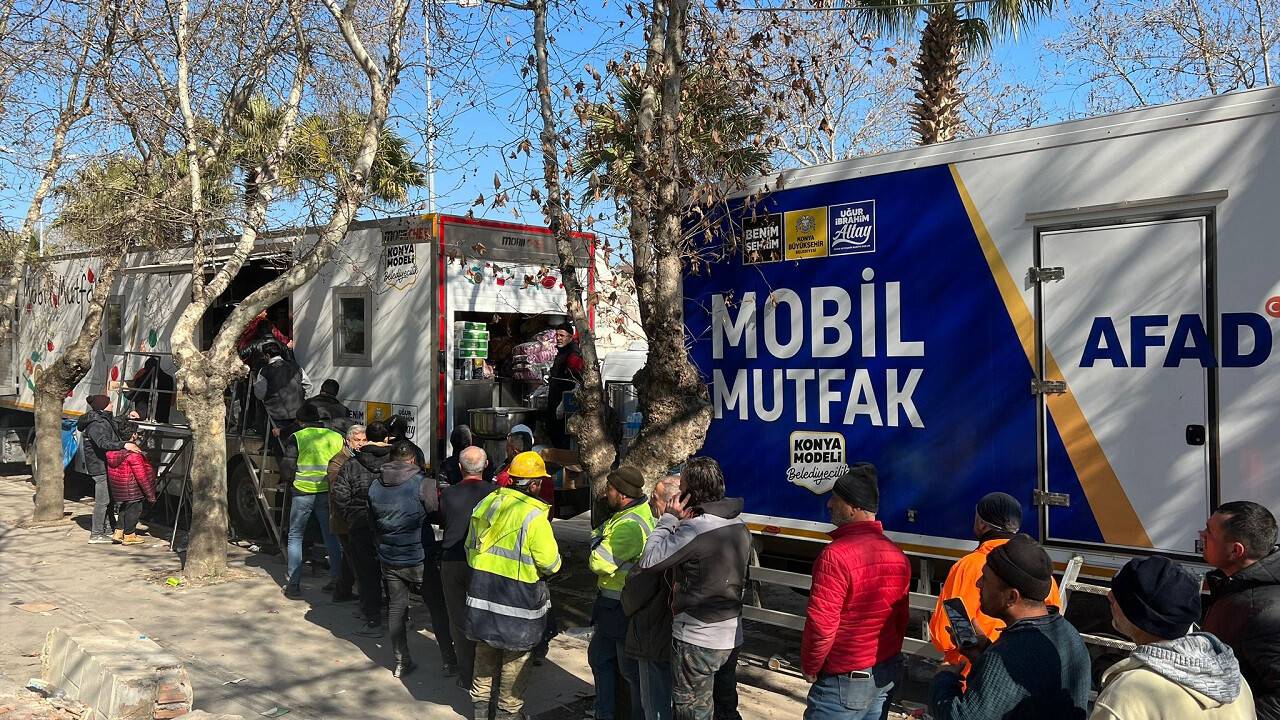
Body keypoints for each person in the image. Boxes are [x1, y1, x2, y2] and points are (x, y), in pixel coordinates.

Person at [930, 534, 1090, 720]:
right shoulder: (1067, 632)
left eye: (986, 579)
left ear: (1011, 597)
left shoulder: (1012, 653)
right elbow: (1024, 686)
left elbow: (960, 717)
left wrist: (944, 679)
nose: (978, 583)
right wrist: (982, 653)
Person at [639, 457, 751, 720]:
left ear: (690, 492)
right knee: (726, 707)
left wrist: (667, 519)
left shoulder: (695, 530)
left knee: (692, 711)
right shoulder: (739, 524)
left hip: (697, 639)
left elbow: (649, 561)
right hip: (732, 635)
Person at [801, 464, 910, 720]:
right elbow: (900, 620)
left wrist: (810, 665)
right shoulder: (897, 555)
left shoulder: (835, 556)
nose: (829, 505)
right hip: (883, 674)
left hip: (843, 683)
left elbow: (821, 624)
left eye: (835, 499)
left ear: (852, 508)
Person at [1092, 555, 1256, 719]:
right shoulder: (1236, 682)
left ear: (1140, 617)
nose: (1109, 596)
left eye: (1119, 595)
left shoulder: (1127, 695)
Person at [465, 451, 561, 720]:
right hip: (518, 600)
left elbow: (470, 548)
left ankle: (480, 713)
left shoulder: (488, 503)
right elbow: (552, 564)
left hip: (482, 593)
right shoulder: (534, 516)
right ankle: (508, 713)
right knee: (514, 660)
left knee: (484, 654)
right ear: (533, 484)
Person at [929, 492, 1063, 674]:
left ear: (981, 524)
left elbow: (945, 634)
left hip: (972, 678)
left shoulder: (968, 566)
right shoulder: (1037, 568)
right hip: (1027, 679)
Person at [1201, 501, 1280, 719]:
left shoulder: (1263, 612)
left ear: (1236, 550)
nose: (1201, 534)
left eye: (1209, 532)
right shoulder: (1237, 586)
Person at [589, 465, 655, 720]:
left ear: (623, 493)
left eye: (610, 489)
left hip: (620, 608)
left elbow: (597, 562)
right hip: (613, 607)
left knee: (627, 671)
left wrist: (597, 542)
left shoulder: (628, 526)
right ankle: (606, 713)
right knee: (602, 660)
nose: (606, 493)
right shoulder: (629, 515)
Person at [367, 442, 439, 677]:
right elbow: (436, 512)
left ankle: (401, 661)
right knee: (437, 607)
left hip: (389, 557)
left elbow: (372, 521)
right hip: (419, 557)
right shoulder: (423, 483)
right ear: (411, 460)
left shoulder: (375, 485)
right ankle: (450, 660)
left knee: (396, 608)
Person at [437, 445, 497, 689]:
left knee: (458, 619)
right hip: (485, 562)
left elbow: (443, 520)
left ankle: (466, 675)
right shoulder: (497, 494)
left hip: (453, 560)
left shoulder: (449, 494)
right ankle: (487, 675)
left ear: (460, 468)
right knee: (487, 617)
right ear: (485, 466)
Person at [623, 474, 682, 720]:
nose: (650, 504)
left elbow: (637, 586)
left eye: (655, 499)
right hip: (681, 635)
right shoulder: (698, 531)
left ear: (670, 503)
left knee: (655, 705)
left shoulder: (665, 537)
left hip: (654, 632)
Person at [332, 420, 392, 635]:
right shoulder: (395, 463)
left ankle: (373, 620)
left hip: (360, 524)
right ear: (386, 439)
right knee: (393, 573)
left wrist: (351, 515)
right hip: (390, 524)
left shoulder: (352, 464)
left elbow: (339, 493)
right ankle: (399, 618)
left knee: (367, 574)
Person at [282, 404, 346, 599]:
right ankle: (337, 580)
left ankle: (293, 585)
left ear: (301, 421)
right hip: (327, 492)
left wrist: (291, 481)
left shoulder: (298, 437)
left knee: (295, 536)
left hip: (303, 491)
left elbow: (288, 466)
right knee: (331, 536)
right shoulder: (336, 436)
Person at [79, 395, 142, 544]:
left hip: (105, 464)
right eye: (109, 403)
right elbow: (103, 442)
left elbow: (115, 422)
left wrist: (128, 416)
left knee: (109, 500)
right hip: (99, 466)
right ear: (103, 406)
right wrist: (123, 445)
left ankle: (107, 528)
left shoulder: (103, 418)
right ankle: (96, 533)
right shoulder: (96, 424)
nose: (112, 404)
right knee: (103, 501)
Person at [326, 424, 365, 603]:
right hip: (344, 519)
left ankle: (342, 591)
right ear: (348, 441)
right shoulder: (338, 461)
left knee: (349, 557)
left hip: (352, 517)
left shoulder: (359, 459)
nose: (361, 444)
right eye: (357, 440)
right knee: (355, 559)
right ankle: (363, 598)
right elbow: (338, 492)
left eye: (364, 440)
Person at [105, 421, 157, 546]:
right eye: (136, 434)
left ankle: (118, 532)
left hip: (120, 487)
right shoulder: (134, 454)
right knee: (134, 510)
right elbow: (141, 476)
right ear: (133, 435)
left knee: (124, 508)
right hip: (133, 488)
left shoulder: (113, 452)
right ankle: (129, 535)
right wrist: (150, 494)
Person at [251, 341, 307, 442]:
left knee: (279, 441)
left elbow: (260, 394)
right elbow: (308, 385)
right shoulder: (296, 367)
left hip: (276, 413)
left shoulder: (264, 371)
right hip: (297, 412)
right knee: (295, 440)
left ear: (267, 355)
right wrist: (303, 401)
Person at [545, 321, 584, 449]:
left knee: (563, 440)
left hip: (565, 408)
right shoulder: (562, 352)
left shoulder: (573, 354)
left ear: (570, 337)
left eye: (562, 335)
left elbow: (577, 382)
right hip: (555, 402)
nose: (558, 338)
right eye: (557, 335)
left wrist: (563, 404)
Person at [122, 356, 175, 423]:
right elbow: (171, 400)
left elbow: (133, 394)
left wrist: (124, 388)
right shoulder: (169, 379)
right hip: (162, 416)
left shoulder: (145, 378)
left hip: (144, 415)